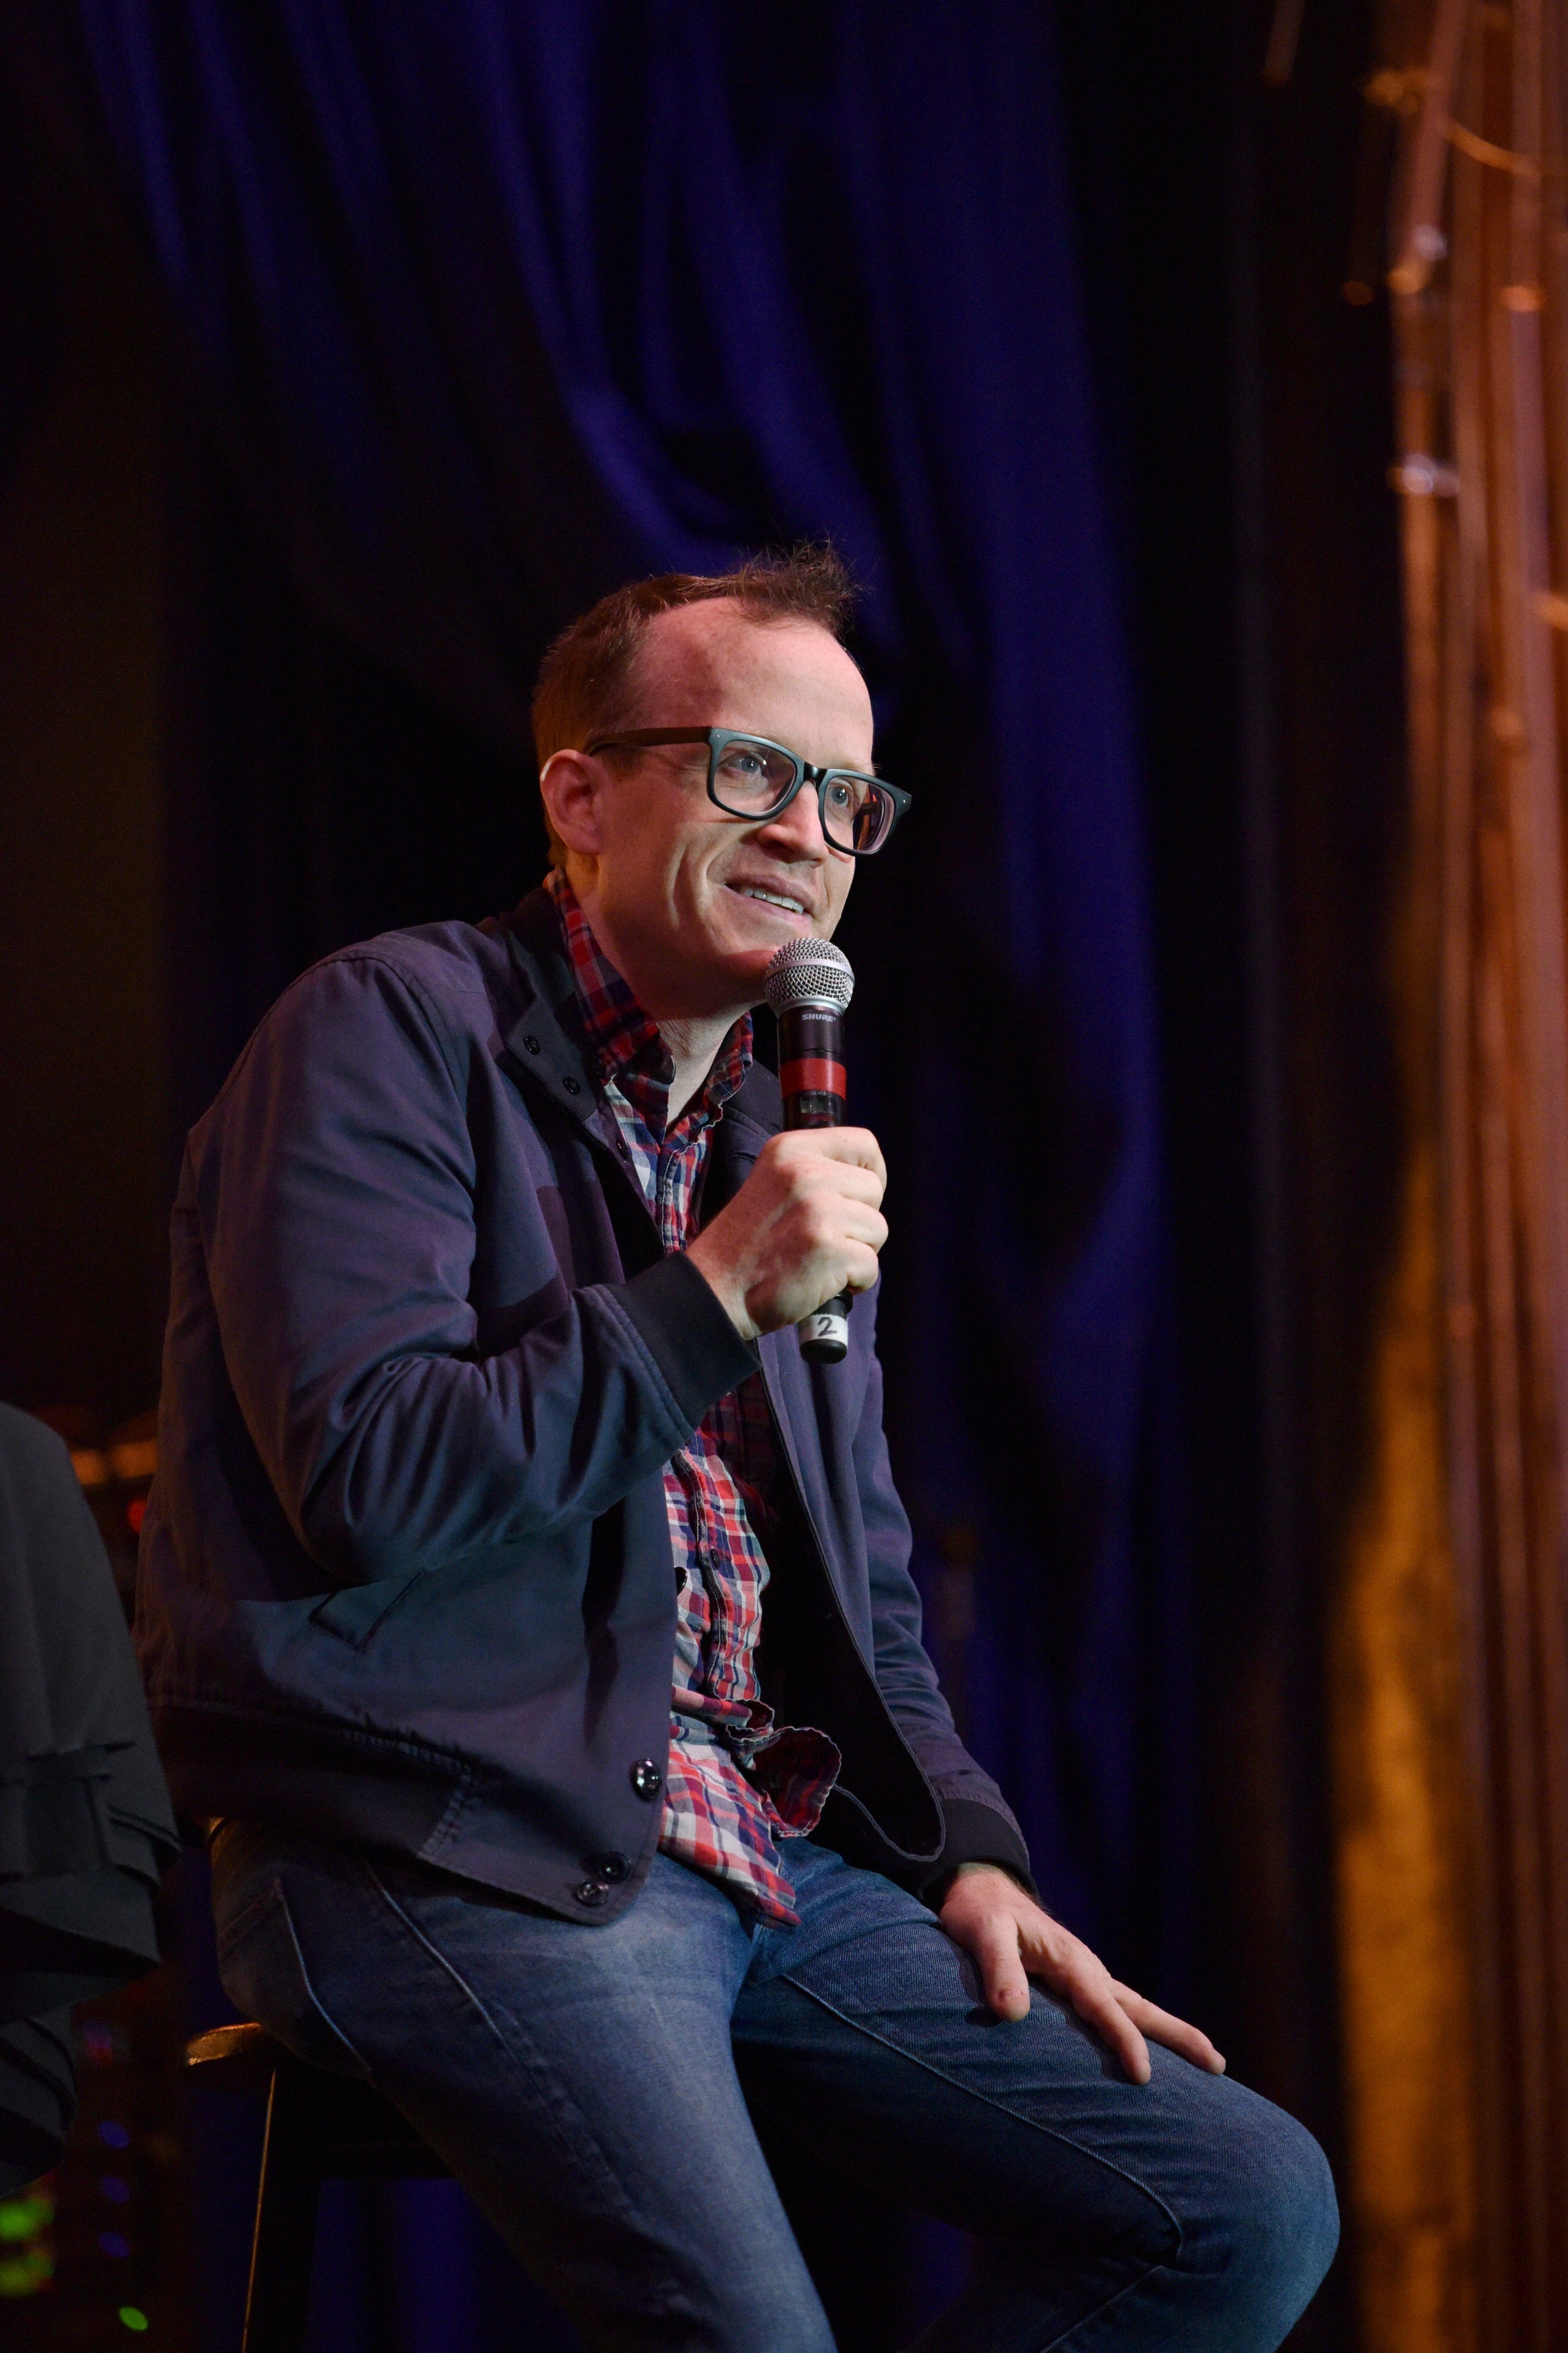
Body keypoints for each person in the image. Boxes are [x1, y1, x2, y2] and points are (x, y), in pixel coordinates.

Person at [136, 548, 1337, 2349]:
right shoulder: (386, 1032)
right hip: (442, 1848)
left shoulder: (779, 1137)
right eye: (751, 770)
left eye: (848, 795)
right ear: (579, 796)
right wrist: (713, 1293)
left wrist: (962, 1860)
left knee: (1236, 2208)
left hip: (750, 1861)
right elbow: (372, 1479)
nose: (808, 830)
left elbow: (855, 1579)